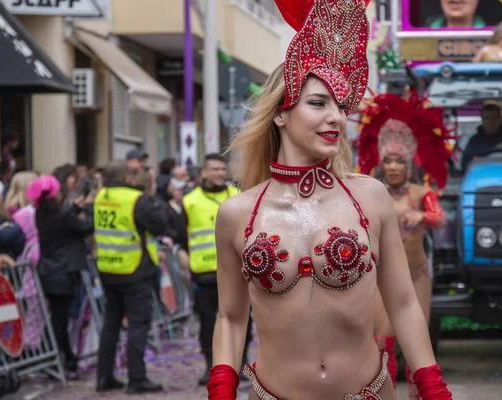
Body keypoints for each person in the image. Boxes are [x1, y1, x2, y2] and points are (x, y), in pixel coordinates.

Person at [206, 1, 452, 399]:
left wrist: (431, 384)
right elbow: (231, 318)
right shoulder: (237, 214)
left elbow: (403, 304)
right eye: (319, 103)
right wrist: (221, 388)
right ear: (280, 114)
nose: (336, 117)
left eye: (340, 106)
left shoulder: (369, 197)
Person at [357, 90, 452, 396]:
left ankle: (416, 394)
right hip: (383, 278)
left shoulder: (421, 194)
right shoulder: (372, 193)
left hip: (416, 275)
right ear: (381, 163)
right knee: (382, 339)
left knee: (416, 338)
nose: (394, 166)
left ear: (409, 164)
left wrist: (420, 215)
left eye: (399, 161)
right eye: (388, 161)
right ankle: (383, 393)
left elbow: (439, 218)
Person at [94, 161, 166, 394]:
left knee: (111, 324)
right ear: (126, 177)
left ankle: (103, 377)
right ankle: (137, 378)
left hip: (108, 268)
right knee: (138, 325)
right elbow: (158, 225)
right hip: (134, 269)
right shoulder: (135, 198)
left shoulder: (100, 196)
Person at [181, 153, 247, 385]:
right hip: (205, 272)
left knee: (241, 319)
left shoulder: (239, 196)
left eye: (222, 169)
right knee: (209, 323)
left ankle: (239, 365)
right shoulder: (189, 201)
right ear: (203, 173)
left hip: (238, 273)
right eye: (215, 169)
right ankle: (212, 367)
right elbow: (181, 235)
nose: (220, 173)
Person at [27, 175, 94, 378]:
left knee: (58, 317)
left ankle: (66, 357)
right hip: (62, 273)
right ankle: (57, 359)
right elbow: (84, 227)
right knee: (59, 319)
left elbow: (63, 220)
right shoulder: (60, 216)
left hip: (49, 272)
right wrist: (89, 208)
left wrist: (76, 207)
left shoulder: (42, 213)